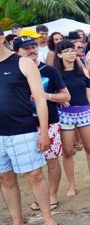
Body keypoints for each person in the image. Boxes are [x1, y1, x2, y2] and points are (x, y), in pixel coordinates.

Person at [1, 35, 66, 225]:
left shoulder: (22, 62)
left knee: (35, 175)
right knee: (5, 178)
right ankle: (17, 222)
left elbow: (40, 100)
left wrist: (44, 132)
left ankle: (48, 218)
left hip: (23, 129)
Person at [15, 33, 70, 211]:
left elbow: (66, 96)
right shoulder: (14, 73)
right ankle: (40, 197)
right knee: (32, 167)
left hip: (50, 123)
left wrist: (45, 96)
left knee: (52, 161)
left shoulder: (49, 70)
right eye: (27, 48)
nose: (32, 51)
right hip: (23, 125)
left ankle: (52, 195)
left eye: (34, 47)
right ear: (17, 52)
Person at [54, 40, 90, 196]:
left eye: (72, 50)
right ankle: (71, 185)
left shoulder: (81, 71)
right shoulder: (55, 73)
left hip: (84, 112)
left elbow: (88, 93)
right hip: (65, 115)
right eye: (66, 51)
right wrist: (60, 98)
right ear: (59, 54)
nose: (70, 53)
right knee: (68, 151)